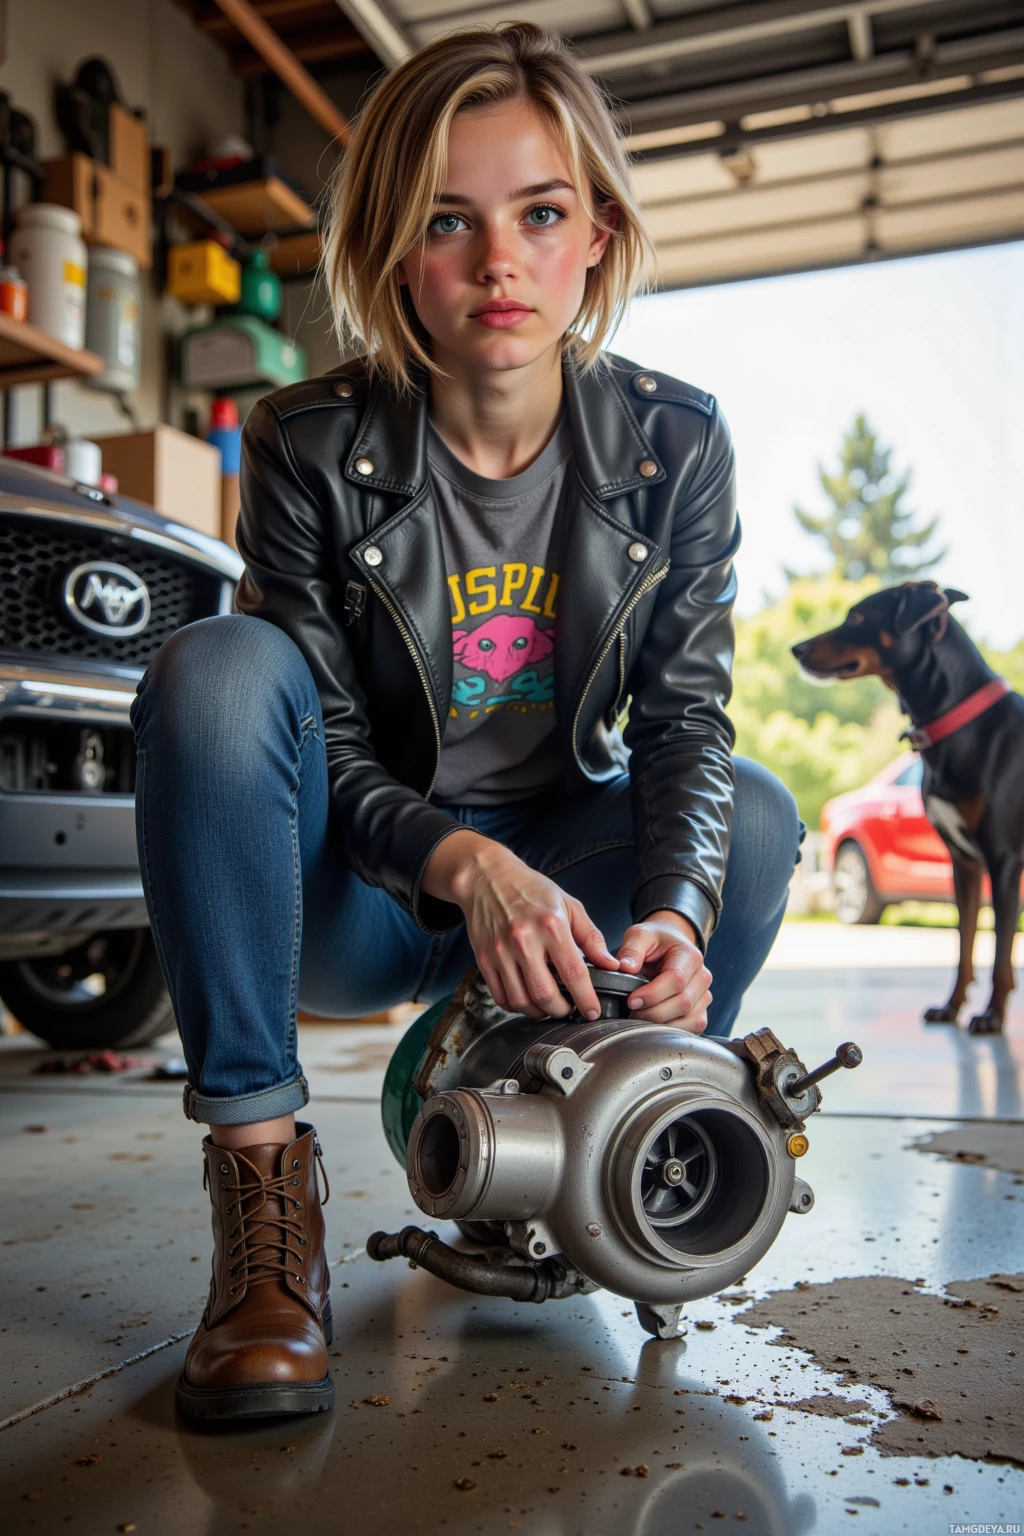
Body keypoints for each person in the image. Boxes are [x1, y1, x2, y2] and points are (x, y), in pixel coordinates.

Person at [129, 21, 801, 1422]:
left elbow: (686, 719)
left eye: (540, 214)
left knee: (750, 817)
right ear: (393, 255)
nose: (501, 262)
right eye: (449, 221)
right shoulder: (307, 443)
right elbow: (324, 730)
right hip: (365, 892)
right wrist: (466, 864)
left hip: (563, 896)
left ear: (597, 236)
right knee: (216, 669)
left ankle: (601, 1140)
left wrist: (674, 914)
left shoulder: (677, 444)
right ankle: (266, 1222)